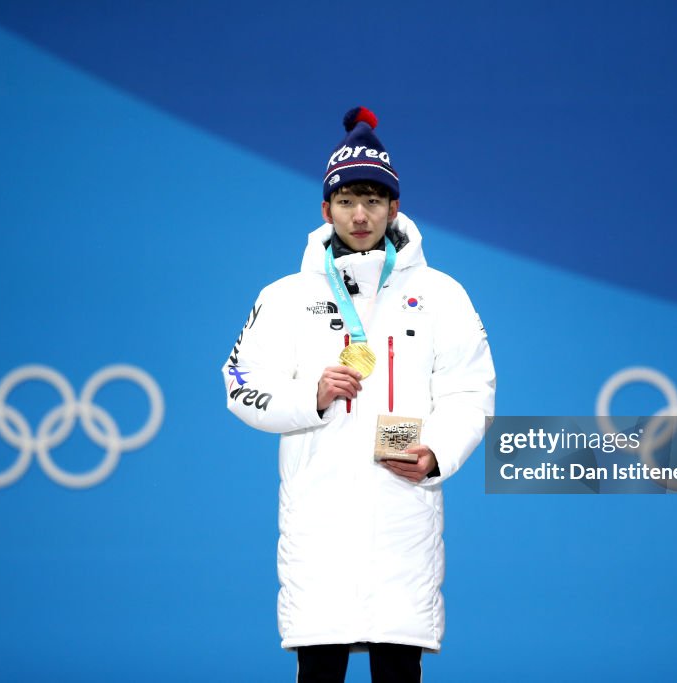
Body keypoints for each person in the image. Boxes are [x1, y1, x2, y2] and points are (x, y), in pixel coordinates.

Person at [224, 106, 496, 683]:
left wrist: (436, 455)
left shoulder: (441, 294)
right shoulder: (285, 297)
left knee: (399, 670)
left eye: (373, 199)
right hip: (316, 524)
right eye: (346, 201)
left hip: (404, 514)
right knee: (318, 671)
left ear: (394, 207)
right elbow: (240, 382)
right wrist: (311, 396)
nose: (360, 213)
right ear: (326, 210)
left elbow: (471, 390)